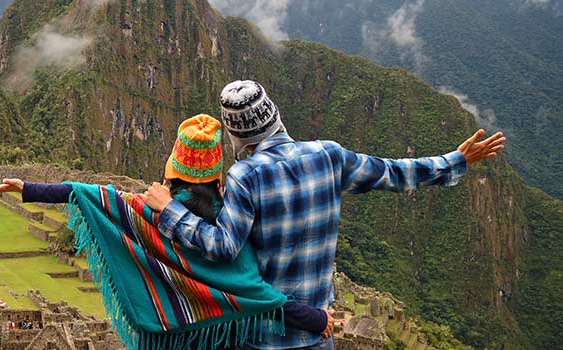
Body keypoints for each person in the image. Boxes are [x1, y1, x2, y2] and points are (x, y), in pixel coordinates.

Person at [136, 80, 506, 349]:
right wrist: (455, 160)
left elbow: (222, 247)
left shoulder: (245, 176)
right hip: (316, 333)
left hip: (262, 337)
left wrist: (169, 210)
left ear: (235, 137)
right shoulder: (328, 156)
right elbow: (394, 173)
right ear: (277, 118)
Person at [0, 115, 331, 349]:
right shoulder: (231, 224)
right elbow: (258, 294)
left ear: (172, 170)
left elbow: (88, 193)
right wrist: (317, 319)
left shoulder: (146, 211)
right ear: (217, 175)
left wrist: (25, 187)